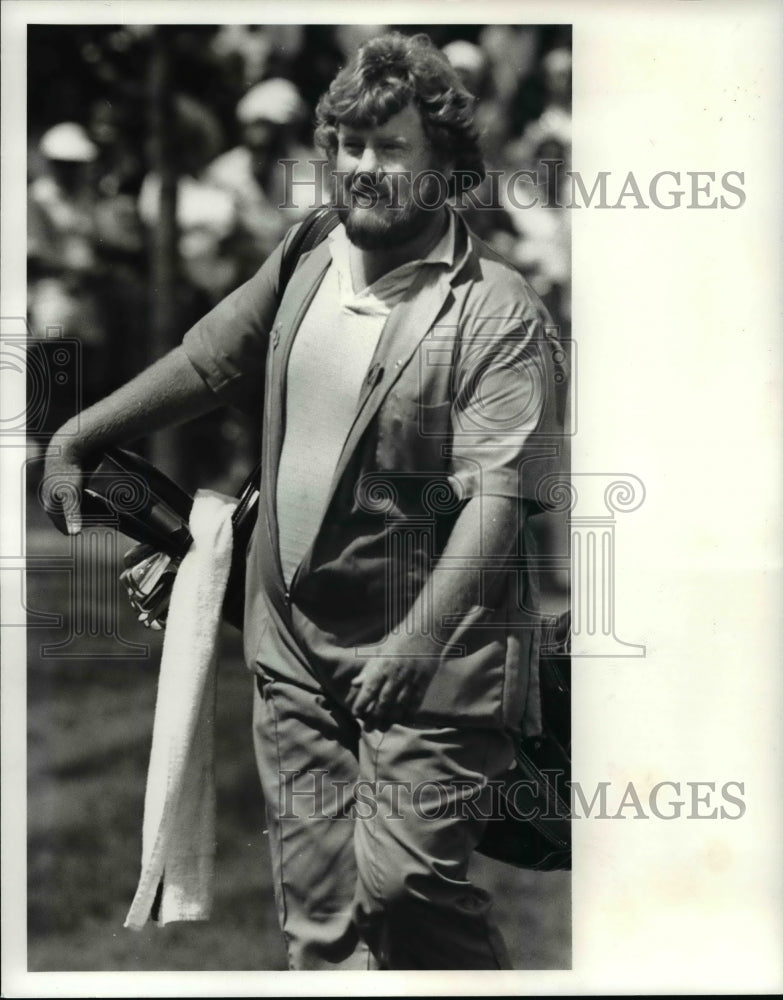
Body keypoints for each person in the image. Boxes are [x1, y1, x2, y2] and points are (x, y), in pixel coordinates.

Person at [44, 32, 567, 970]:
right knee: (319, 921)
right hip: (291, 648)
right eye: (348, 147)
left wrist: (416, 643)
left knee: (405, 888)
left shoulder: (499, 311)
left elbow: (499, 501)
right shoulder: (310, 249)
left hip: (436, 655)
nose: (362, 170)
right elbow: (210, 360)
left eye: (390, 148)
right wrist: (81, 432)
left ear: (445, 168)